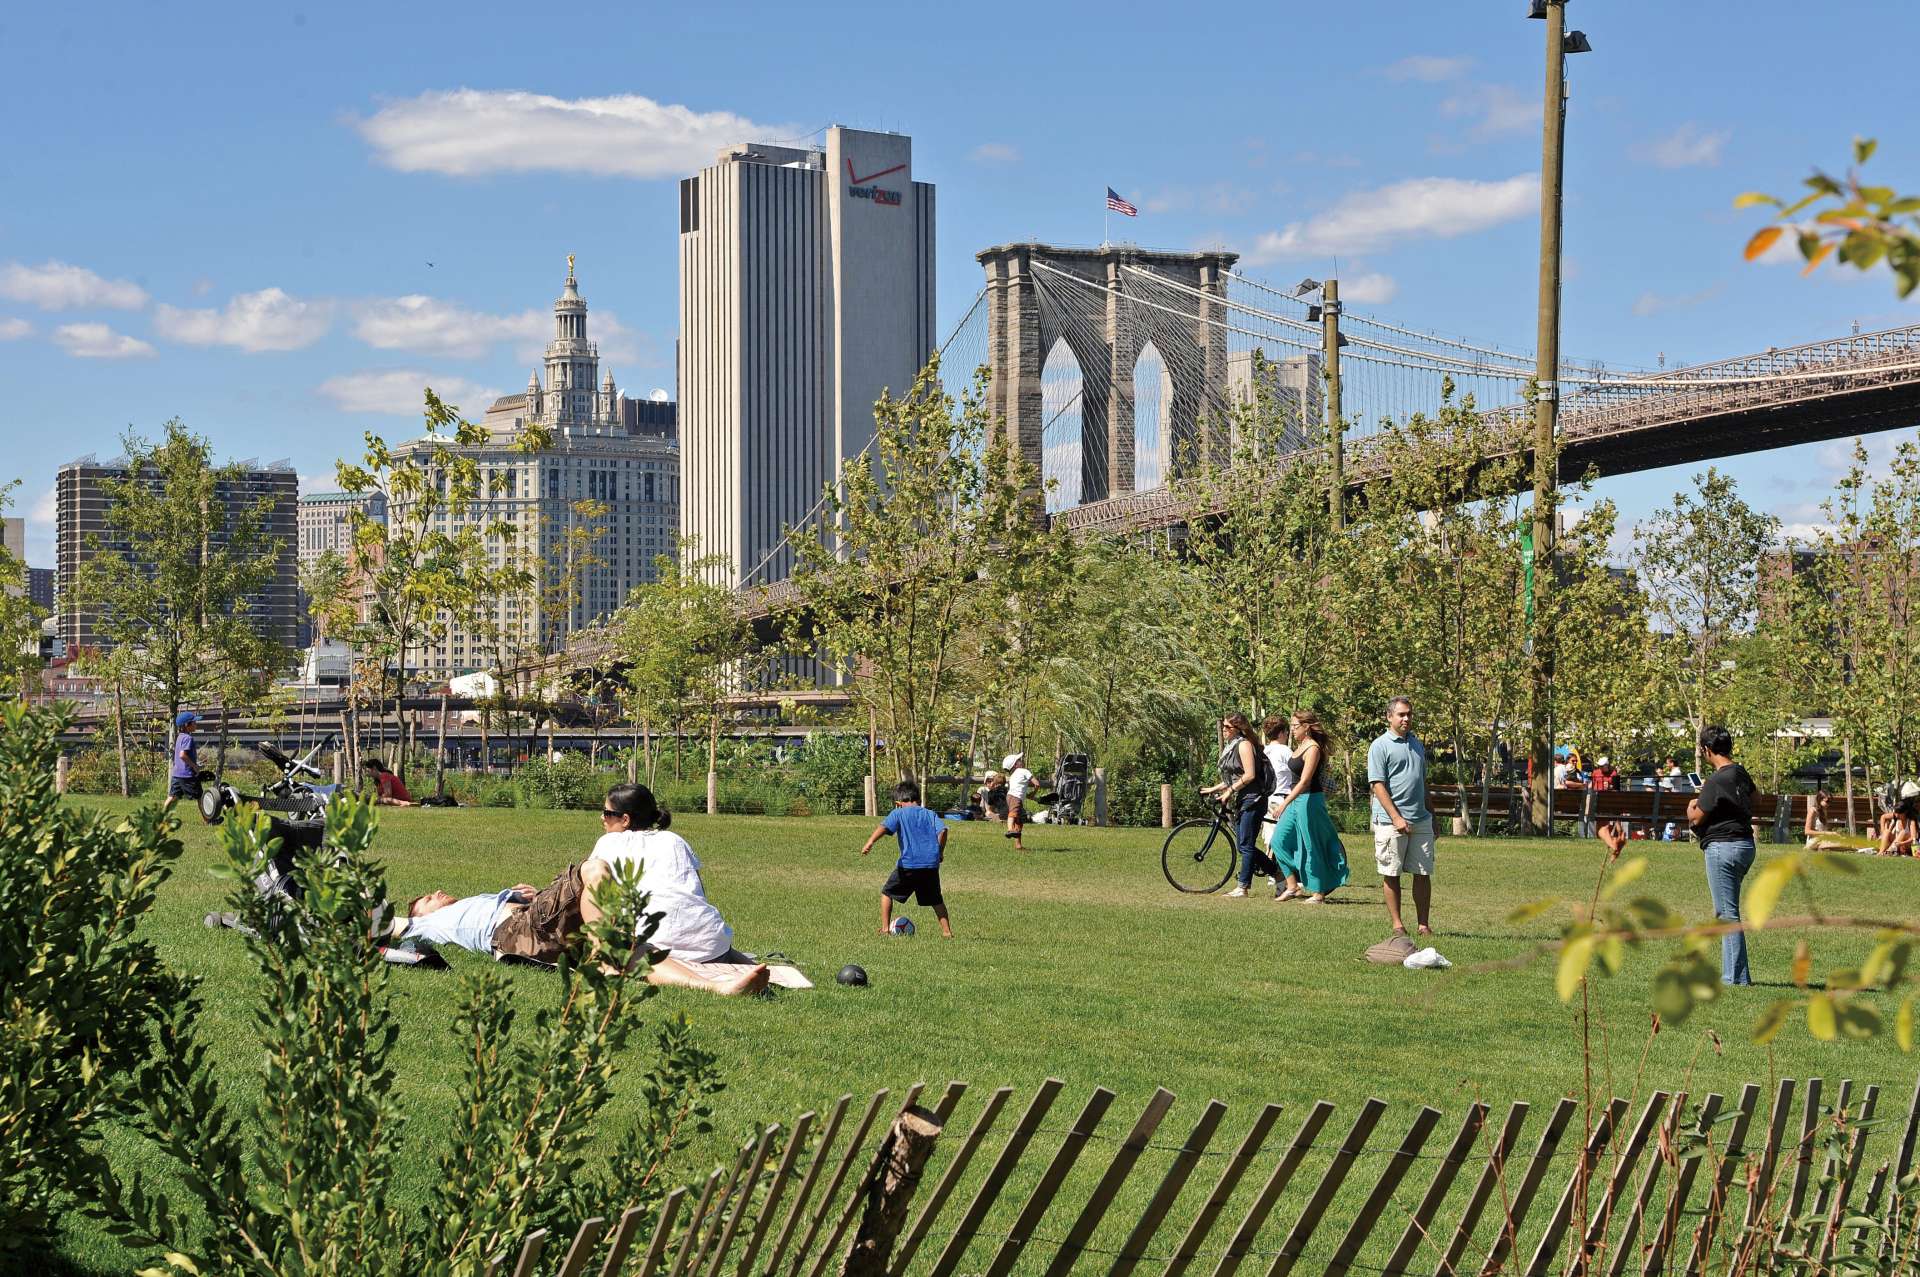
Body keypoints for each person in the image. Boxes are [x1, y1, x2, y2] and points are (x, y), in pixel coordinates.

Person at [400, 863, 769, 997]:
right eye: (426, 898)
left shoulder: (474, 902)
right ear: (419, 913)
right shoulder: (422, 924)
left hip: (532, 924)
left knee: (629, 946)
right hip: (515, 932)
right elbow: (386, 927)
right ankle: (605, 958)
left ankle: (717, 987)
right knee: (595, 869)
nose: (435, 893)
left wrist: (518, 893)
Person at [1688, 725, 1756, 986]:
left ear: (1706, 750)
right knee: (1731, 910)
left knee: (1726, 913)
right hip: (1745, 846)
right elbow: (1756, 799)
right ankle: (1737, 974)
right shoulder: (1739, 773)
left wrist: (1690, 807)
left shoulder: (1716, 780)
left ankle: (1734, 978)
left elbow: (1697, 817)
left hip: (1722, 848)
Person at [1367, 696, 1435, 938]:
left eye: (1409, 714)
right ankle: (1397, 924)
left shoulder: (1416, 744)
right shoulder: (1380, 745)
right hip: (1390, 821)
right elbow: (1377, 785)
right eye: (1401, 714)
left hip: (1420, 819)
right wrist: (1396, 817)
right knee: (1392, 872)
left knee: (1423, 872)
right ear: (1389, 717)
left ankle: (1423, 925)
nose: (1406, 718)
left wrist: (1432, 815)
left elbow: (1422, 782)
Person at [1270, 709, 1349, 904]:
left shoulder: (1313, 748)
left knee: (1310, 844)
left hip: (1309, 801)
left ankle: (1318, 892)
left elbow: (1305, 781)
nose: (1292, 730)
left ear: (1306, 727)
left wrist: (1284, 803)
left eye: (1295, 726)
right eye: (1291, 726)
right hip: (1296, 800)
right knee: (1278, 841)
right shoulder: (1300, 745)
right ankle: (1292, 885)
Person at [860, 779, 953, 937]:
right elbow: (943, 831)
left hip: (909, 864)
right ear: (918, 799)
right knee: (936, 899)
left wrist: (870, 841)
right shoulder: (930, 814)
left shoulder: (898, 813)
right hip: (930, 865)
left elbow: (883, 827)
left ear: (898, 802)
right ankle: (947, 932)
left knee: (887, 892)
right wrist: (940, 851)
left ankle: (885, 929)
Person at [1201, 712, 1278, 898]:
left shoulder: (1243, 745)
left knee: (1246, 844)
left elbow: (1250, 775)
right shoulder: (1232, 746)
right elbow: (1235, 777)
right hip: (1244, 797)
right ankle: (1279, 874)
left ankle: (1243, 887)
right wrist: (1214, 788)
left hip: (1254, 798)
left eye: (1228, 727)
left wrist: (1230, 790)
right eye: (1223, 727)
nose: (1224, 730)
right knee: (1243, 845)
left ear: (1238, 728)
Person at [1259, 714, 1295, 854]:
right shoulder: (1286, 751)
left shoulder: (1264, 751)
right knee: (1282, 842)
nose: (1287, 734)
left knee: (1270, 839)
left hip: (1267, 800)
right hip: (1282, 800)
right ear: (1280, 733)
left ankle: (1272, 872)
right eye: (1286, 731)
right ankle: (1277, 874)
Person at [1002, 753, 1034, 850]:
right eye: (1019, 760)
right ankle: (1009, 829)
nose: (1021, 761)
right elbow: (1037, 784)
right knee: (1013, 814)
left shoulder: (1012, 776)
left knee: (1019, 821)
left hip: (1011, 797)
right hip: (1016, 798)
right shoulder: (1023, 771)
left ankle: (1018, 845)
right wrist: (1033, 793)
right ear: (1015, 765)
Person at [1878, 782, 1919, 856]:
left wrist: (1901, 843)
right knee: (1887, 831)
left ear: (1905, 812)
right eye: (1896, 812)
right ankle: (1881, 852)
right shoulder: (1896, 815)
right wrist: (1883, 831)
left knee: (1903, 832)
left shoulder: (1911, 821)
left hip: (1906, 845)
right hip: (1896, 844)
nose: (1896, 815)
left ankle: (1888, 852)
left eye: (1899, 813)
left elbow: (1913, 838)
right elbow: (1883, 817)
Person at [169, 711, 201, 802]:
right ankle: (208, 817)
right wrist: (194, 766)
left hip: (177, 774)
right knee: (200, 797)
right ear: (187, 725)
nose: (196, 724)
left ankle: (161, 816)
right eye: (194, 722)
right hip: (187, 775)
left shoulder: (180, 737)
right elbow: (182, 755)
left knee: (172, 797)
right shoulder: (188, 738)